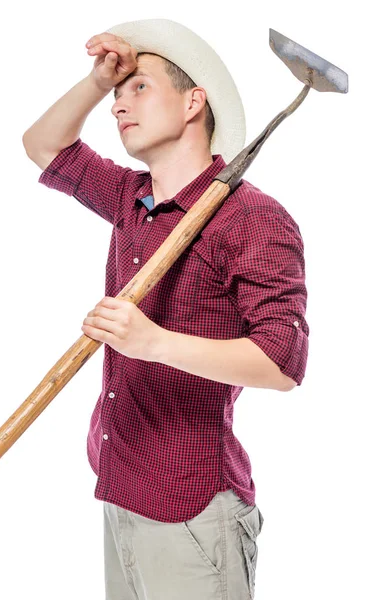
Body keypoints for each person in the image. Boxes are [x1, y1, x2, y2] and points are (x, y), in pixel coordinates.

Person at [23, 18, 309, 600]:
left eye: (139, 87)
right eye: (118, 94)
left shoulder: (253, 217)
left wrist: (152, 341)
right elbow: (43, 146)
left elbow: (282, 363)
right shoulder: (131, 198)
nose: (117, 106)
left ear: (192, 102)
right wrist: (99, 79)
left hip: (193, 507)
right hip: (119, 486)